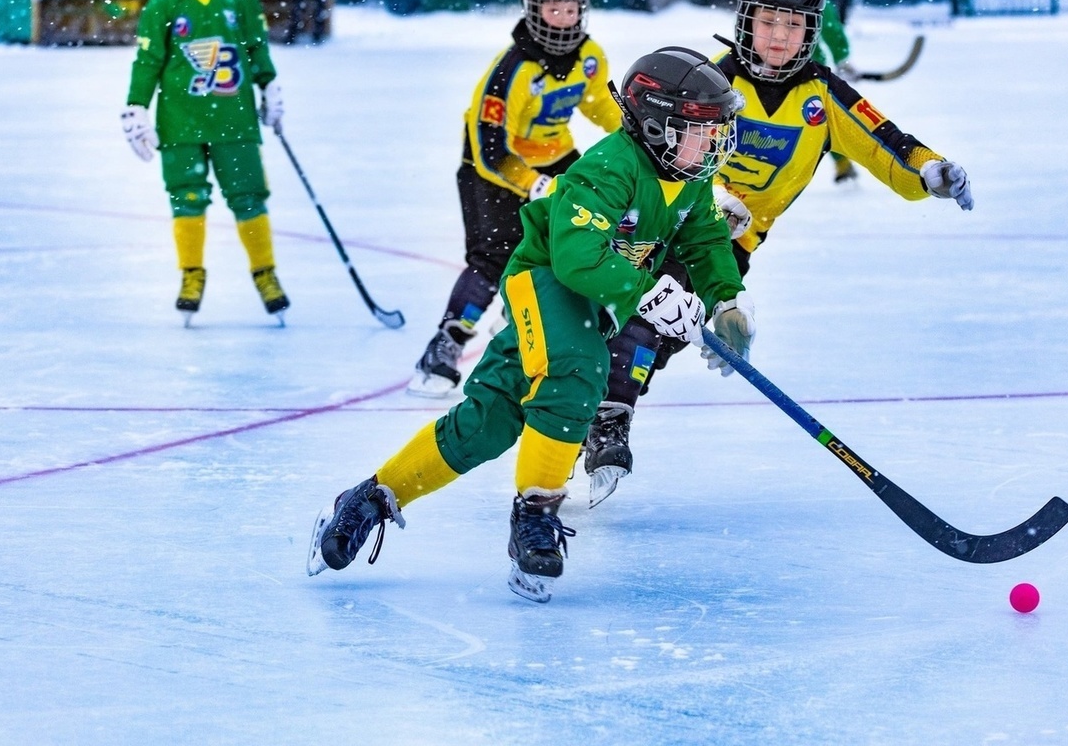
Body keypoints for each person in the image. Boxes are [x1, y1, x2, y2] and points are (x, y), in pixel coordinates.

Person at [307, 47, 754, 603]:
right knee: (580, 371)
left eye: (717, 129)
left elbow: (705, 239)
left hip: (596, 298)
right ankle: (535, 514)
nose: (713, 142)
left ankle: (371, 498)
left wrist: (726, 300)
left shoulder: (686, 179)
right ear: (659, 125)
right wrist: (649, 292)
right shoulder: (608, 168)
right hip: (547, 280)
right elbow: (576, 258)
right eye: (700, 129)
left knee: (489, 419)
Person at [581, 0, 974, 506]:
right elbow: (647, 147)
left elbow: (886, 140)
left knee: (663, 331)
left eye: (793, 26)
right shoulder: (710, 81)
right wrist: (711, 198)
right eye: (768, 22)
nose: (779, 37)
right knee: (634, 320)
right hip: (667, 220)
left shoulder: (823, 96)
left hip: (730, 244)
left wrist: (929, 172)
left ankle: (604, 412)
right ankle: (601, 420)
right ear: (745, 21)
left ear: (811, 32)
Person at [407, 0, 623, 398]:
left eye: (572, 9)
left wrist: (636, 136)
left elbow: (601, 107)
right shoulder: (511, 72)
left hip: (553, 156)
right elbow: (490, 152)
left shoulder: (589, 57)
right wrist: (534, 184)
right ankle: (446, 344)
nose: (565, 19)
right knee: (494, 256)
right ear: (532, 8)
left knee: (581, 239)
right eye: (553, 9)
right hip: (491, 169)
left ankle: (526, 326)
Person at [121, 0, 289, 326]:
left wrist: (270, 84)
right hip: (181, 123)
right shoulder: (164, 2)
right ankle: (191, 274)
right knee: (187, 198)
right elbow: (148, 61)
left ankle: (265, 273)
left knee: (249, 197)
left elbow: (255, 47)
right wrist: (136, 106)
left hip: (235, 120)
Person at [767, 0, 857, 183]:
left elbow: (832, 30)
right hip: (770, 68)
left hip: (808, 71)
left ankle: (842, 162)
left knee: (819, 119)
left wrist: (843, 60)